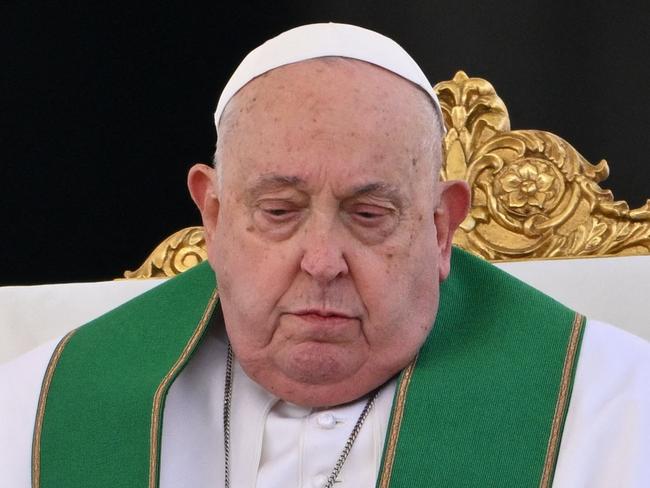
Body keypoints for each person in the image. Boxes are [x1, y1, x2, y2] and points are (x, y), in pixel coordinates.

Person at [1, 23, 649, 488]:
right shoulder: (34, 410)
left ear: (440, 228)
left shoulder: (614, 408)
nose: (321, 262)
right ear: (216, 217)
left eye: (368, 215)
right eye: (279, 211)